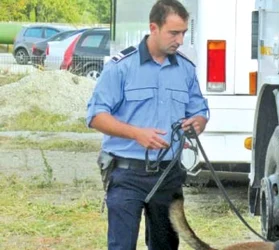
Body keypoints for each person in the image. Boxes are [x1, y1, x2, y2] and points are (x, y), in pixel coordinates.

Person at [86, 0, 209, 249]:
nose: (180, 40)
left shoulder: (185, 69)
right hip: (126, 173)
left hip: (168, 174)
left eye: (184, 32)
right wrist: (135, 133)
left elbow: (199, 110)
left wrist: (198, 123)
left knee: (165, 245)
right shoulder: (121, 66)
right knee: (121, 245)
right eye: (173, 33)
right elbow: (96, 116)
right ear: (154, 28)